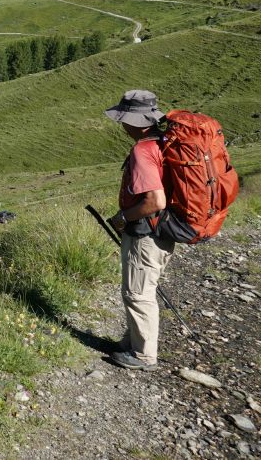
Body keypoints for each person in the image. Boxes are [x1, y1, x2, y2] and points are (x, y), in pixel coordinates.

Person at [103, 89, 174, 371]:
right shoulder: (163, 143)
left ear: (136, 121)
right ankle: (132, 339)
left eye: (124, 118)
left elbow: (155, 201)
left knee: (137, 293)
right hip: (165, 231)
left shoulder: (143, 151)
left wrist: (122, 217)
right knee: (144, 286)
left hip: (147, 233)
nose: (122, 124)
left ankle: (143, 354)